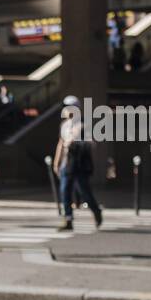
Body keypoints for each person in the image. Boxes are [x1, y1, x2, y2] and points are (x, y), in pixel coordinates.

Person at [52, 96, 102, 231]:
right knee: (65, 191)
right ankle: (68, 219)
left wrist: (77, 143)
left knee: (84, 192)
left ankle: (96, 211)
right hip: (66, 164)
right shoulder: (64, 125)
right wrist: (57, 162)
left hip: (79, 164)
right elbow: (61, 143)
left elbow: (92, 143)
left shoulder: (84, 125)